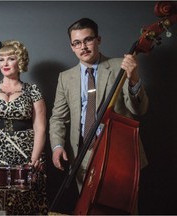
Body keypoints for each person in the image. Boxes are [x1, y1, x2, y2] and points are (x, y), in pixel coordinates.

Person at [49, 18, 149, 213]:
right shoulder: (65, 77)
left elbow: (139, 110)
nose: (83, 47)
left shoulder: (121, 65)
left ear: (99, 40)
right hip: (82, 156)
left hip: (119, 156)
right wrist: (57, 146)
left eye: (88, 40)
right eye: (77, 43)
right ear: (71, 46)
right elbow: (58, 118)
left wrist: (134, 78)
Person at [0, 40, 48, 215]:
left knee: (27, 204)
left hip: (27, 153)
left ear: (20, 61)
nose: (4, 63)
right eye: (1, 59)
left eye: (10, 58)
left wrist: (33, 160)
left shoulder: (32, 90)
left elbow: (40, 127)